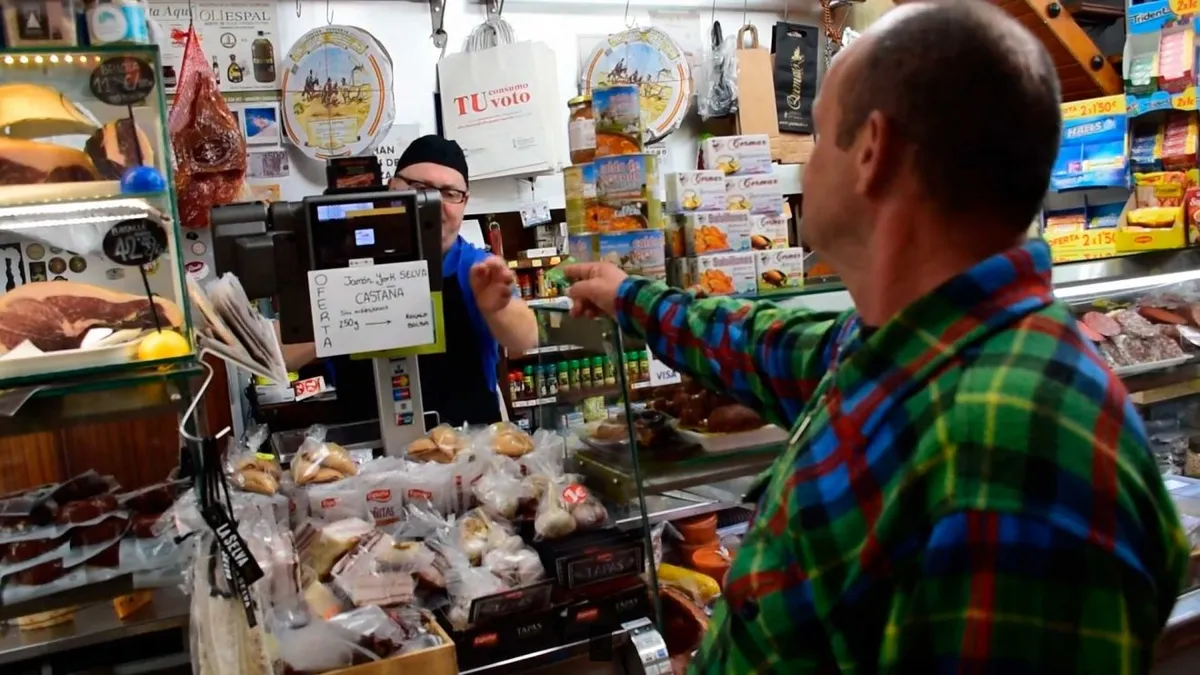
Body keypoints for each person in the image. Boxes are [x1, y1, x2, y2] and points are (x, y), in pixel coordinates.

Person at [566, 2, 1190, 672]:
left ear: (873, 151)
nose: (804, 168)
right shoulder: (907, 347)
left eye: (817, 136)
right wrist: (626, 295)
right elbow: (762, 344)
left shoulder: (1013, 449)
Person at [283, 135, 537, 427]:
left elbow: (525, 338)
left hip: (465, 447)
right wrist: (340, 312)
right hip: (366, 447)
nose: (435, 204)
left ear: (464, 202)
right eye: (420, 188)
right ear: (392, 187)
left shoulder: (475, 268)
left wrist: (498, 309)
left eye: (450, 193)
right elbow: (283, 356)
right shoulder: (338, 267)